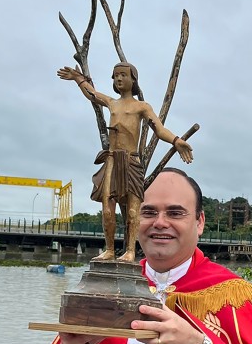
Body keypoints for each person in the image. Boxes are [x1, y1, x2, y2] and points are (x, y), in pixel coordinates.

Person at [30, 168, 252, 344]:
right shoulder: (104, 286)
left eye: (175, 213)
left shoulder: (232, 295)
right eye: (148, 212)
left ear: (199, 222)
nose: (160, 222)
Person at [57, 63, 194, 262]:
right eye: (115, 76)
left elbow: (159, 128)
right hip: (112, 159)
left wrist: (176, 140)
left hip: (131, 161)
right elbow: (92, 94)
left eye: (123, 75)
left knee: (132, 209)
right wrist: (78, 78)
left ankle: (130, 250)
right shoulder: (112, 103)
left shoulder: (141, 107)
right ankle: (110, 249)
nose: (118, 79)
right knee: (107, 207)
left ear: (133, 80)